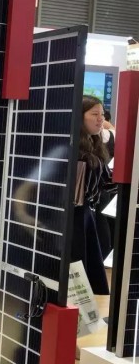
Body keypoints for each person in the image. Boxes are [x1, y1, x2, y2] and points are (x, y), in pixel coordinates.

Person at [72, 95, 116, 296]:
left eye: (102, 114)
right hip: (75, 216)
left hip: (87, 213)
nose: (101, 119)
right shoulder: (73, 148)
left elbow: (105, 181)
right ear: (80, 116)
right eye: (94, 114)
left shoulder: (95, 144)